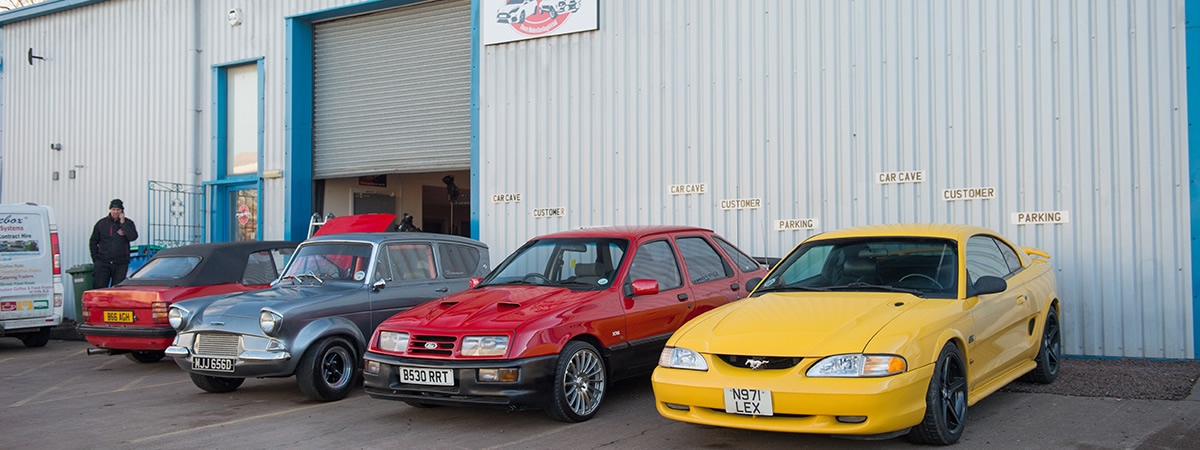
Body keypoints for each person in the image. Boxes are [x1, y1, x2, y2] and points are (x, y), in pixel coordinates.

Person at [89, 199, 139, 288]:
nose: (115, 212)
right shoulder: (101, 224)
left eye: (118, 210)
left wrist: (123, 224)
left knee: (118, 290)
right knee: (100, 288)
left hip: (121, 263)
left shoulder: (128, 223)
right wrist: (96, 260)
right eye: (113, 209)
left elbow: (133, 237)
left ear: (122, 211)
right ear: (110, 210)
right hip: (103, 262)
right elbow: (93, 241)